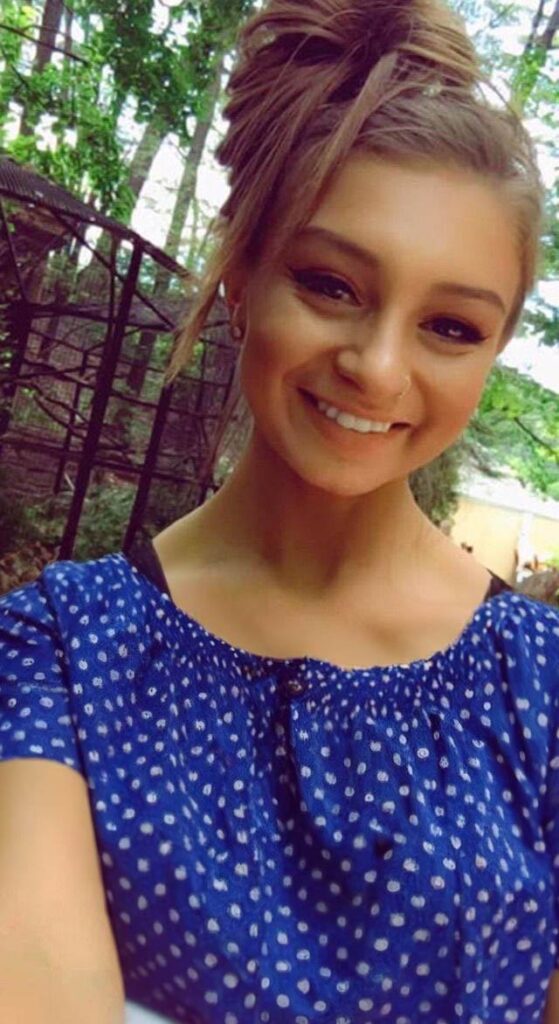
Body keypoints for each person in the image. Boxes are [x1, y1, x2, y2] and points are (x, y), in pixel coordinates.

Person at [1, 0, 558, 1022]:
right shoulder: (64, 655)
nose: (377, 368)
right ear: (242, 277)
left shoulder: (543, 690)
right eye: (330, 283)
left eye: (449, 325)